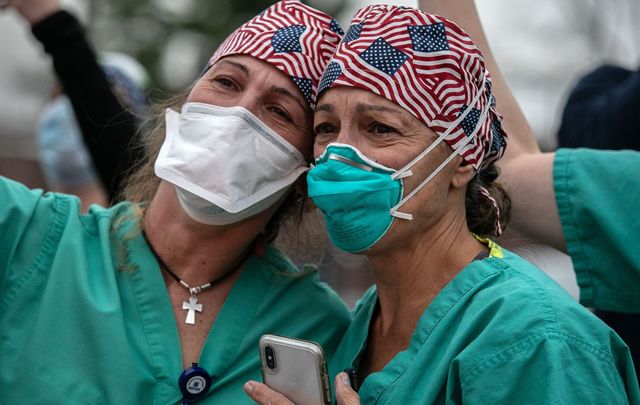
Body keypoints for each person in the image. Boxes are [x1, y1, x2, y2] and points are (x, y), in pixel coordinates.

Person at [244, 3, 639, 404]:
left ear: (463, 161)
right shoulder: (370, 317)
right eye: (326, 128)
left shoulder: (534, 341)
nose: (339, 155)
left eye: (379, 128)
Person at [0, 1, 350, 403]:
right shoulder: (28, 238)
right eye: (227, 83)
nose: (237, 113)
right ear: (184, 106)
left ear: (303, 174)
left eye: (279, 111)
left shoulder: (316, 328)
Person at [11, 0, 147, 203]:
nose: (71, 109)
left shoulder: (136, 224)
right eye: (62, 94)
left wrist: (52, 23)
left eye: (109, 103)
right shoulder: (15, 215)